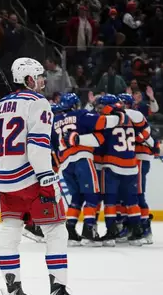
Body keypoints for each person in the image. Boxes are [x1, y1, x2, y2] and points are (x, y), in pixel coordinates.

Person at [0, 57, 84, 295]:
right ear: (29, 79)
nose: (43, 81)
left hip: (5, 181)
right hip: (32, 179)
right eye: (39, 77)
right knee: (56, 231)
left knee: (10, 231)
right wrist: (46, 177)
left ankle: (13, 293)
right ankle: (59, 293)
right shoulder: (38, 102)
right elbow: (37, 145)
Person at [64, 94, 144, 246]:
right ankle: (137, 232)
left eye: (101, 107)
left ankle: (110, 232)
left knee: (109, 201)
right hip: (131, 166)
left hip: (111, 165)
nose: (99, 109)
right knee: (131, 201)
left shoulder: (108, 120)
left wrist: (78, 139)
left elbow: (99, 141)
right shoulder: (129, 119)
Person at [51, 93, 126, 246]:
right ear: (75, 105)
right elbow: (102, 122)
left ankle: (70, 232)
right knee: (93, 196)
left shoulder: (55, 121)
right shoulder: (80, 114)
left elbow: (52, 147)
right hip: (82, 159)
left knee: (77, 198)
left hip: (65, 164)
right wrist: (119, 116)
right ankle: (89, 230)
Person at [118, 93, 156, 245]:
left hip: (140, 158)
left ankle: (145, 227)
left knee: (138, 193)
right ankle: (129, 225)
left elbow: (147, 138)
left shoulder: (134, 114)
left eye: (120, 104)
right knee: (126, 194)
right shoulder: (126, 117)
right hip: (131, 159)